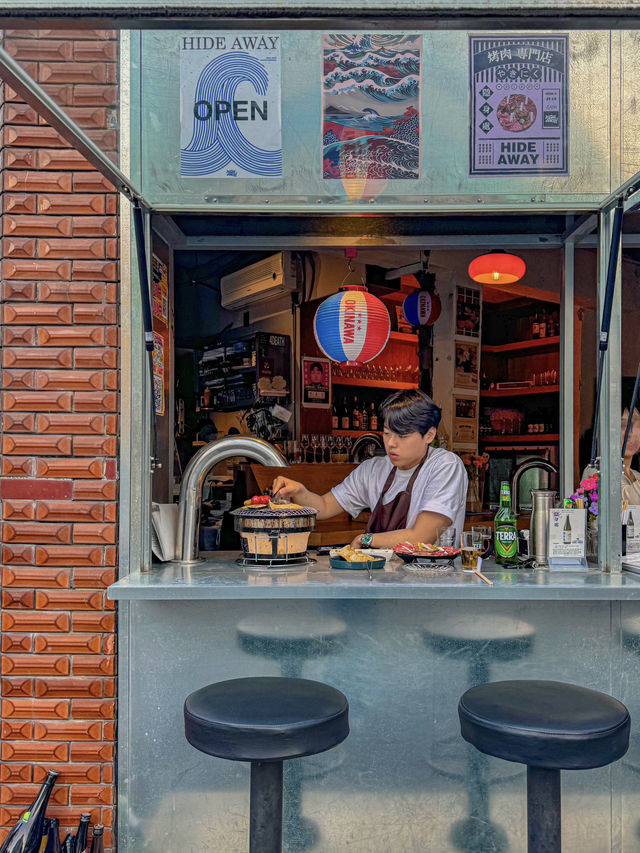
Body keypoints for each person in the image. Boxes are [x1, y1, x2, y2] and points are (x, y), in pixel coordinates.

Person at [272, 389, 468, 549]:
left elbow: (421, 537)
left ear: (429, 435)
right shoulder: (373, 469)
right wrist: (299, 492)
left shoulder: (445, 466)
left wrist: (366, 539)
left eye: (402, 436)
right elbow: (324, 506)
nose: (391, 443)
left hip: (430, 582)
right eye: (387, 433)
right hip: (383, 579)